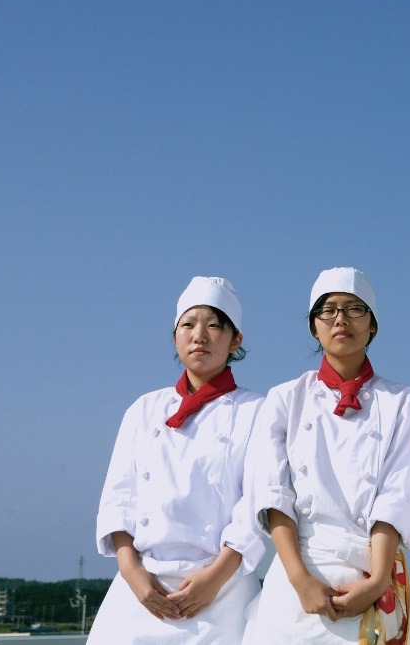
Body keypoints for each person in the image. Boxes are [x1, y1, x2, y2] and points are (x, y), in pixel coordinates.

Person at [244, 267, 410, 644]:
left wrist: (378, 581)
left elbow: (396, 497)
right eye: (327, 310)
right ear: (315, 327)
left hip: (369, 567)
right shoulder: (284, 399)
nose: (340, 319)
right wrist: (300, 580)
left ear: (373, 325)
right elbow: (273, 494)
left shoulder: (402, 401)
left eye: (354, 309)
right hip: (299, 570)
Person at [88, 276, 265, 644]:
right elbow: (119, 500)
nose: (199, 335)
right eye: (188, 324)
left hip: (222, 592)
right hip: (140, 588)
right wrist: (133, 575)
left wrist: (213, 580)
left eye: (215, 325)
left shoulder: (258, 411)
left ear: (236, 341)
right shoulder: (144, 409)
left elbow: (257, 505)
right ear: (175, 337)